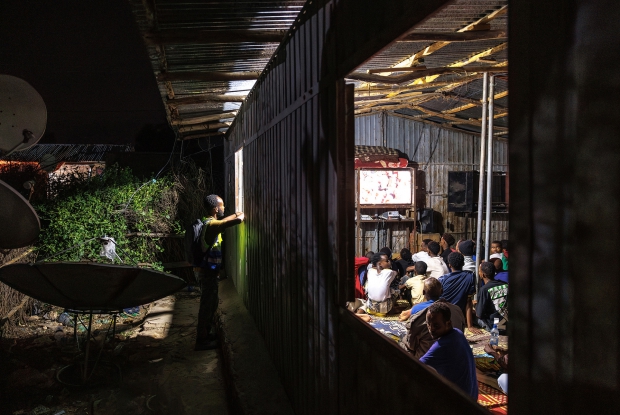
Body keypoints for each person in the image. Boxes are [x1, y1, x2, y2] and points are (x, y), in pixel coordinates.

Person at [195, 194, 244, 351]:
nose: (224, 207)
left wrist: (236, 214)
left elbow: (224, 221)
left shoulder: (209, 222)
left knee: (211, 304)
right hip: (207, 274)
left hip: (210, 274)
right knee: (207, 306)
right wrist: (240, 214)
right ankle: (201, 341)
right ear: (215, 209)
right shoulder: (211, 225)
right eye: (222, 205)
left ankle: (206, 334)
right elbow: (236, 221)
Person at [419, 302, 479, 399]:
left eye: (436, 326)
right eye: (428, 324)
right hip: (473, 398)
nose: (431, 329)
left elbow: (415, 366)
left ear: (448, 323)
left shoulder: (441, 346)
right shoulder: (458, 333)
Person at [440, 252, 479, 333]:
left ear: (449, 265)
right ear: (463, 263)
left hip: (443, 316)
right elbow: (468, 302)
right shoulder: (470, 276)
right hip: (460, 316)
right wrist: (470, 326)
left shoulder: (442, 280)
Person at [475, 261, 508, 331]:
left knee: (472, 317)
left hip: (495, 326)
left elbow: (479, 314)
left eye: (479, 271)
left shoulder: (484, 289)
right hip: (506, 323)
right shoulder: (505, 284)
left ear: (483, 275)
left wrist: (475, 306)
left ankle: (494, 337)